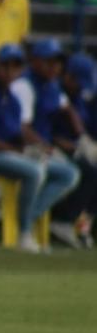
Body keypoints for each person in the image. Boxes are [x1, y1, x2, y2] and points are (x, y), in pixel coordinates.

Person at [0, 43, 79, 253]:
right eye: (5, 65)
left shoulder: (13, 99)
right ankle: (24, 232)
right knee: (34, 171)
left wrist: (38, 148)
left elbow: (18, 133)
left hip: (11, 153)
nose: (9, 71)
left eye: (15, 67)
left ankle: (25, 218)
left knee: (68, 172)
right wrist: (19, 151)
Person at [23, 38, 90, 247]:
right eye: (48, 61)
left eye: (57, 63)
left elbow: (67, 108)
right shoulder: (24, 84)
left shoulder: (51, 85)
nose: (54, 67)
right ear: (34, 61)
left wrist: (81, 138)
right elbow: (22, 128)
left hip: (44, 145)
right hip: (25, 147)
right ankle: (29, 221)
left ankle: (41, 218)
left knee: (81, 168)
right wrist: (47, 145)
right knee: (74, 171)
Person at [53, 53, 97, 246]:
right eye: (78, 81)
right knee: (89, 171)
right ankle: (62, 220)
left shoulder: (78, 98)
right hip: (53, 148)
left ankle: (84, 225)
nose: (80, 87)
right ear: (68, 76)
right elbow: (45, 131)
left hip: (73, 147)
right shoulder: (54, 92)